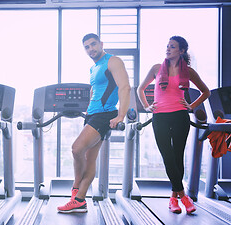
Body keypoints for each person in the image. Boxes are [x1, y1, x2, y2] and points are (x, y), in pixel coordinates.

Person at [57, 33, 131, 213]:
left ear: (101, 44)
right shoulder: (94, 68)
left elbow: (125, 87)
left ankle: (76, 188)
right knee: (90, 159)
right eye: (87, 47)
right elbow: (96, 90)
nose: (91, 49)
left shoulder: (113, 61)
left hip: (105, 115)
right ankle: (80, 200)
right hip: (92, 114)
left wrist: (121, 115)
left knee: (76, 149)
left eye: (93, 45)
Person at [137, 36, 210, 214]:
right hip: (160, 116)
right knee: (168, 156)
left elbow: (206, 91)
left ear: (182, 51)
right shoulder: (156, 69)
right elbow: (140, 89)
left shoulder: (189, 72)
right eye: (167, 46)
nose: (168, 49)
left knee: (177, 157)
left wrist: (191, 106)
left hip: (180, 116)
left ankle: (173, 199)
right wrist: (147, 106)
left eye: (173, 47)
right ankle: (184, 197)